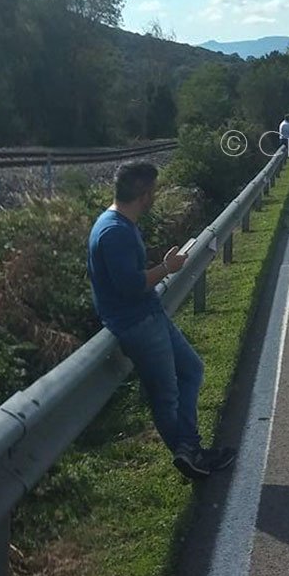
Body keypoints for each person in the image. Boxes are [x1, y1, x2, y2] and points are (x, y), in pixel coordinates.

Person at [87, 162, 236, 479]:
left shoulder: (115, 223)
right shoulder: (115, 232)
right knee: (166, 394)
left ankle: (189, 448)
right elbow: (129, 285)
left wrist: (162, 268)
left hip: (148, 315)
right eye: (153, 191)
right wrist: (168, 267)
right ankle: (190, 452)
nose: (155, 196)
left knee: (191, 370)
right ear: (142, 194)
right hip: (137, 322)